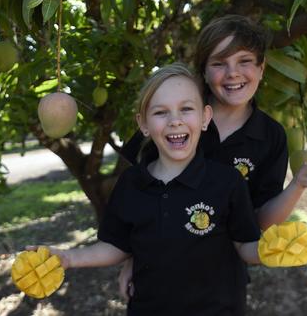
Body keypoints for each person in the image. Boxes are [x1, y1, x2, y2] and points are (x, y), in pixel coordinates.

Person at [119, 15, 307, 301]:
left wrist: (299, 184)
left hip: (221, 283)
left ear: (262, 68)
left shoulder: (270, 136)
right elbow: (136, 196)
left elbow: (260, 222)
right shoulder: (178, 119)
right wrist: (130, 256)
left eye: (244, 61)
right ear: (203, 71)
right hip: (156, 276)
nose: (233, 73)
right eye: (219, 63)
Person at [34, 64, 263, 315]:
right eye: (160, 112)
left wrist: (272, 249)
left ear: (205, 117)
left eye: (186, 109)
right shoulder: (131, 183)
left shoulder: (227, 182)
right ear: (143, 124)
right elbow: (116, 245)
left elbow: (245, 246)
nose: (175, 121)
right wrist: (69, 258)